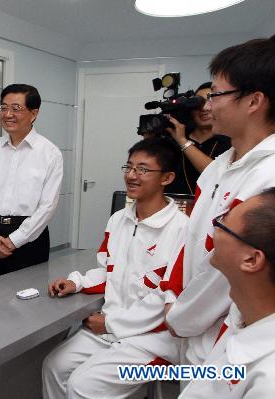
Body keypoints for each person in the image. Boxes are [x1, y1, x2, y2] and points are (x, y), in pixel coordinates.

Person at [42, 138, 188, 399]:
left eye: (142, 170)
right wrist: (78, 282)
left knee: (82, 386)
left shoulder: (182, 229)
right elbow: (107, 270)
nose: (131, 176)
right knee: (54, 367)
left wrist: (111, 324)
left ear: (167, 177)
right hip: (109, 327)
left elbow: (166, 299)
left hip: (152, 341)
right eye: (129, 167)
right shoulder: (119, 219)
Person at [162, 35, 275, 368]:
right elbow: (191, 238)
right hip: (191, 319)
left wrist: (182, 316)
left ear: (254, 101)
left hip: (230, 332)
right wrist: (172, 295)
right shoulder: (219, 167)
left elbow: (227, 266)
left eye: (215, 95)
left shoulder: (268, 177)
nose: (206, 106)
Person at [180, 188, 275, 398]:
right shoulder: (241, 315)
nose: (213, 230)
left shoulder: (268, 382)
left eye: (223, 223)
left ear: (251, 260)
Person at [0, 83, 63, 281]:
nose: (8, 114)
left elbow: (47, 206)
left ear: (34, 113)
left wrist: (14, 240)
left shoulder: (50, 153)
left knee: (29, 301)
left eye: (16, 108)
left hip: (30, 237)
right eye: (4, 107)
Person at [165, 82, 231, 194]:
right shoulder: (172, 141)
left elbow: (215, 174)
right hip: (175, 208)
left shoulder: (229, 141)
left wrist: (182, 141)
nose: (204, 108)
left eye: (210, 100)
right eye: (197, 103)